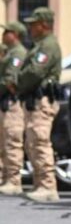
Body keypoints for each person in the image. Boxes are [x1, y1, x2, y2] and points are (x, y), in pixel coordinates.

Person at [11, 8, 62, 203]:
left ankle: (48, 186)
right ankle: (41, 184)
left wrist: (17, 83)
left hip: (42, 102)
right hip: (34, 101)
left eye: (34, 24)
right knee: (33, 144)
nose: (30, 28)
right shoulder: (39, 45)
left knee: (40, 143)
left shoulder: (48, 46)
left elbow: (35, 72)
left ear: (44, 25)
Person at [0, 22, 28, 195]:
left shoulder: (18, 53)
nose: (4, 34)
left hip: (12, 103)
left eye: (8, 32)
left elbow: (10, 79)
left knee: (12, 141)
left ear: (16, 34)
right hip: (5, 102)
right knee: (4, 143)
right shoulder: (10, 52)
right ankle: (6, 178)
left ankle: (14, 180)